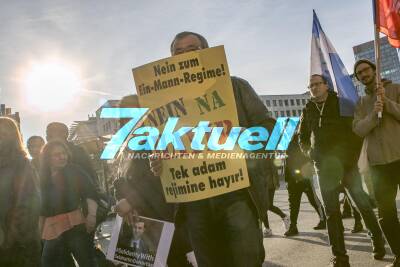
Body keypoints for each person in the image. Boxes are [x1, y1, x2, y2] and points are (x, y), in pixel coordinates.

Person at [149, 31, 276, 267]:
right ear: (170, 60)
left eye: (192, 49)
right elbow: (162, 147)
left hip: (238, 194)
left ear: (206, 54)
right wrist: (159, 162)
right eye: (179, 51)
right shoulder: (163, 104)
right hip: (194, 204)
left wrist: (241, 144)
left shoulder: (235, 86)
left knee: (246, 260)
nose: (186, 55)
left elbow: (268, 127)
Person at [298, 74, 385, 267]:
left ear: (326, 86)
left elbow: (355, 133)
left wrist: (351, 158)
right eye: (311, 85)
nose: (314, 87)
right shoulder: (307, 109)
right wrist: (310, 152)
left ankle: (377, 240)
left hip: (346, 166)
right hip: (323, 168)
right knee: (331, 211)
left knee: (361, 203)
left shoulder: (342, 104)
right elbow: (301, 137)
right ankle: (339, 257)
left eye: (317, 84)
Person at [114, 94, 194, 267]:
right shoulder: (126, 145)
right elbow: (120, 177)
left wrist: (131, 200)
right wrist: (124, 202)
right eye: (124, 116)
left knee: (173, 260)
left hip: (162, 216)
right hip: (138, 218)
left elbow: (159, 175)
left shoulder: (158, 138)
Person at [353, 59, 400, 267]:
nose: (363, 74)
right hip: (378, 165)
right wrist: (373, 113)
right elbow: (359, 129)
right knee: (386, 214)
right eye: (359, 73)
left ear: (374, 70)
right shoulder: (362, 103)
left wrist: (387, 104)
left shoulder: (396, 89)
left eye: (365, 70)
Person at [39, 140, 99, 267]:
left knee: (86, 261)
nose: (62, 157)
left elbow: (90, 193)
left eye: (64, 153)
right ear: (47, 158)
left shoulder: (74, 170)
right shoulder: (43, 177)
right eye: (57, 154)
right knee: (51, 262)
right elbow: (42, 209)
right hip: (53, 228)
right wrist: (39, 232)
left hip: (75, 225)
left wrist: (92, 216)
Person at [0, 117, 41, 267]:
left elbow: (29, 204)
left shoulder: (21, 164)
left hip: (19, 247)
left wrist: (10, 238)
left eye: (2, 135)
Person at [283, 133, 326, 237]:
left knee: (313, 200)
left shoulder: (302, 139)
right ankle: (293, 226)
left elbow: (306, 157)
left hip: (304, 177)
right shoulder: (286, 141)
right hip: (292, 179)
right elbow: (288, 161)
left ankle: (324, 219)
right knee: (293, 204)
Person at [46, 122, 99, 188]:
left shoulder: (78, 152)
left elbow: (90, 173)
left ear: (65, 134)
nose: (47, 137)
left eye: (50, 134)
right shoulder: (46, 154)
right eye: (47, 134)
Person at [262, 160, 290, 237]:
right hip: (261, 183)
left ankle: (284, 217)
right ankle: (267, 228)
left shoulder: (265, 151)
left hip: (269, 183)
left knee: (268, 205)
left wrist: (276, 182)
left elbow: (273, 167)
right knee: (264, 206)